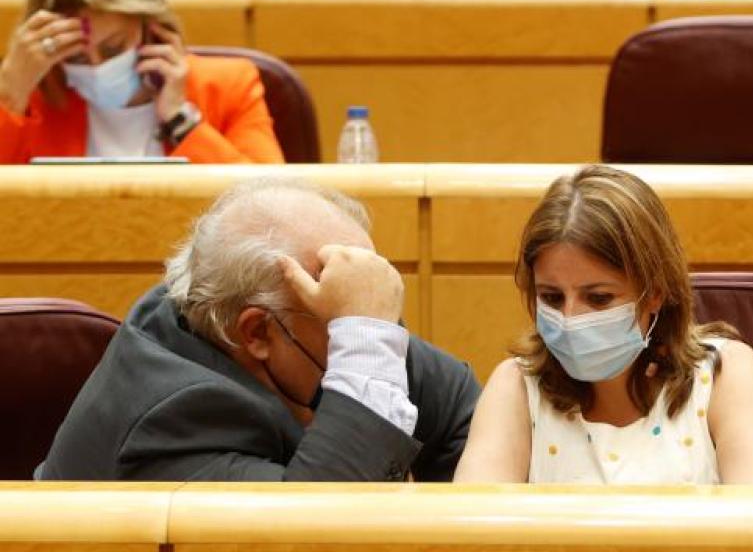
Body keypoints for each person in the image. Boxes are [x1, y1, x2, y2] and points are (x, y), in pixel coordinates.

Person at [38, 178, 480, 481]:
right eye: (348, 318)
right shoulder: (171, 426)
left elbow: (460, 405)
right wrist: (363, 339)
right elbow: (318, 548)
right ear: (256, 334)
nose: (371, 327)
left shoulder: (265, 317)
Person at [454, 164, 753, 485]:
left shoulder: (724, 374)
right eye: (552, 297)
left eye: (598, 298)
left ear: (654, 292)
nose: (570, 319)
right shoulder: (515, 386)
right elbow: (469, 536)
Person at [0, 0, 282, 163]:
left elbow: (270, 203)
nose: (97, 67)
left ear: (152, 28)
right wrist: (9, 95)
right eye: (77, 57)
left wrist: (180, 120)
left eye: (113, 47)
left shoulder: (228, 84)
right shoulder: (31, 97)